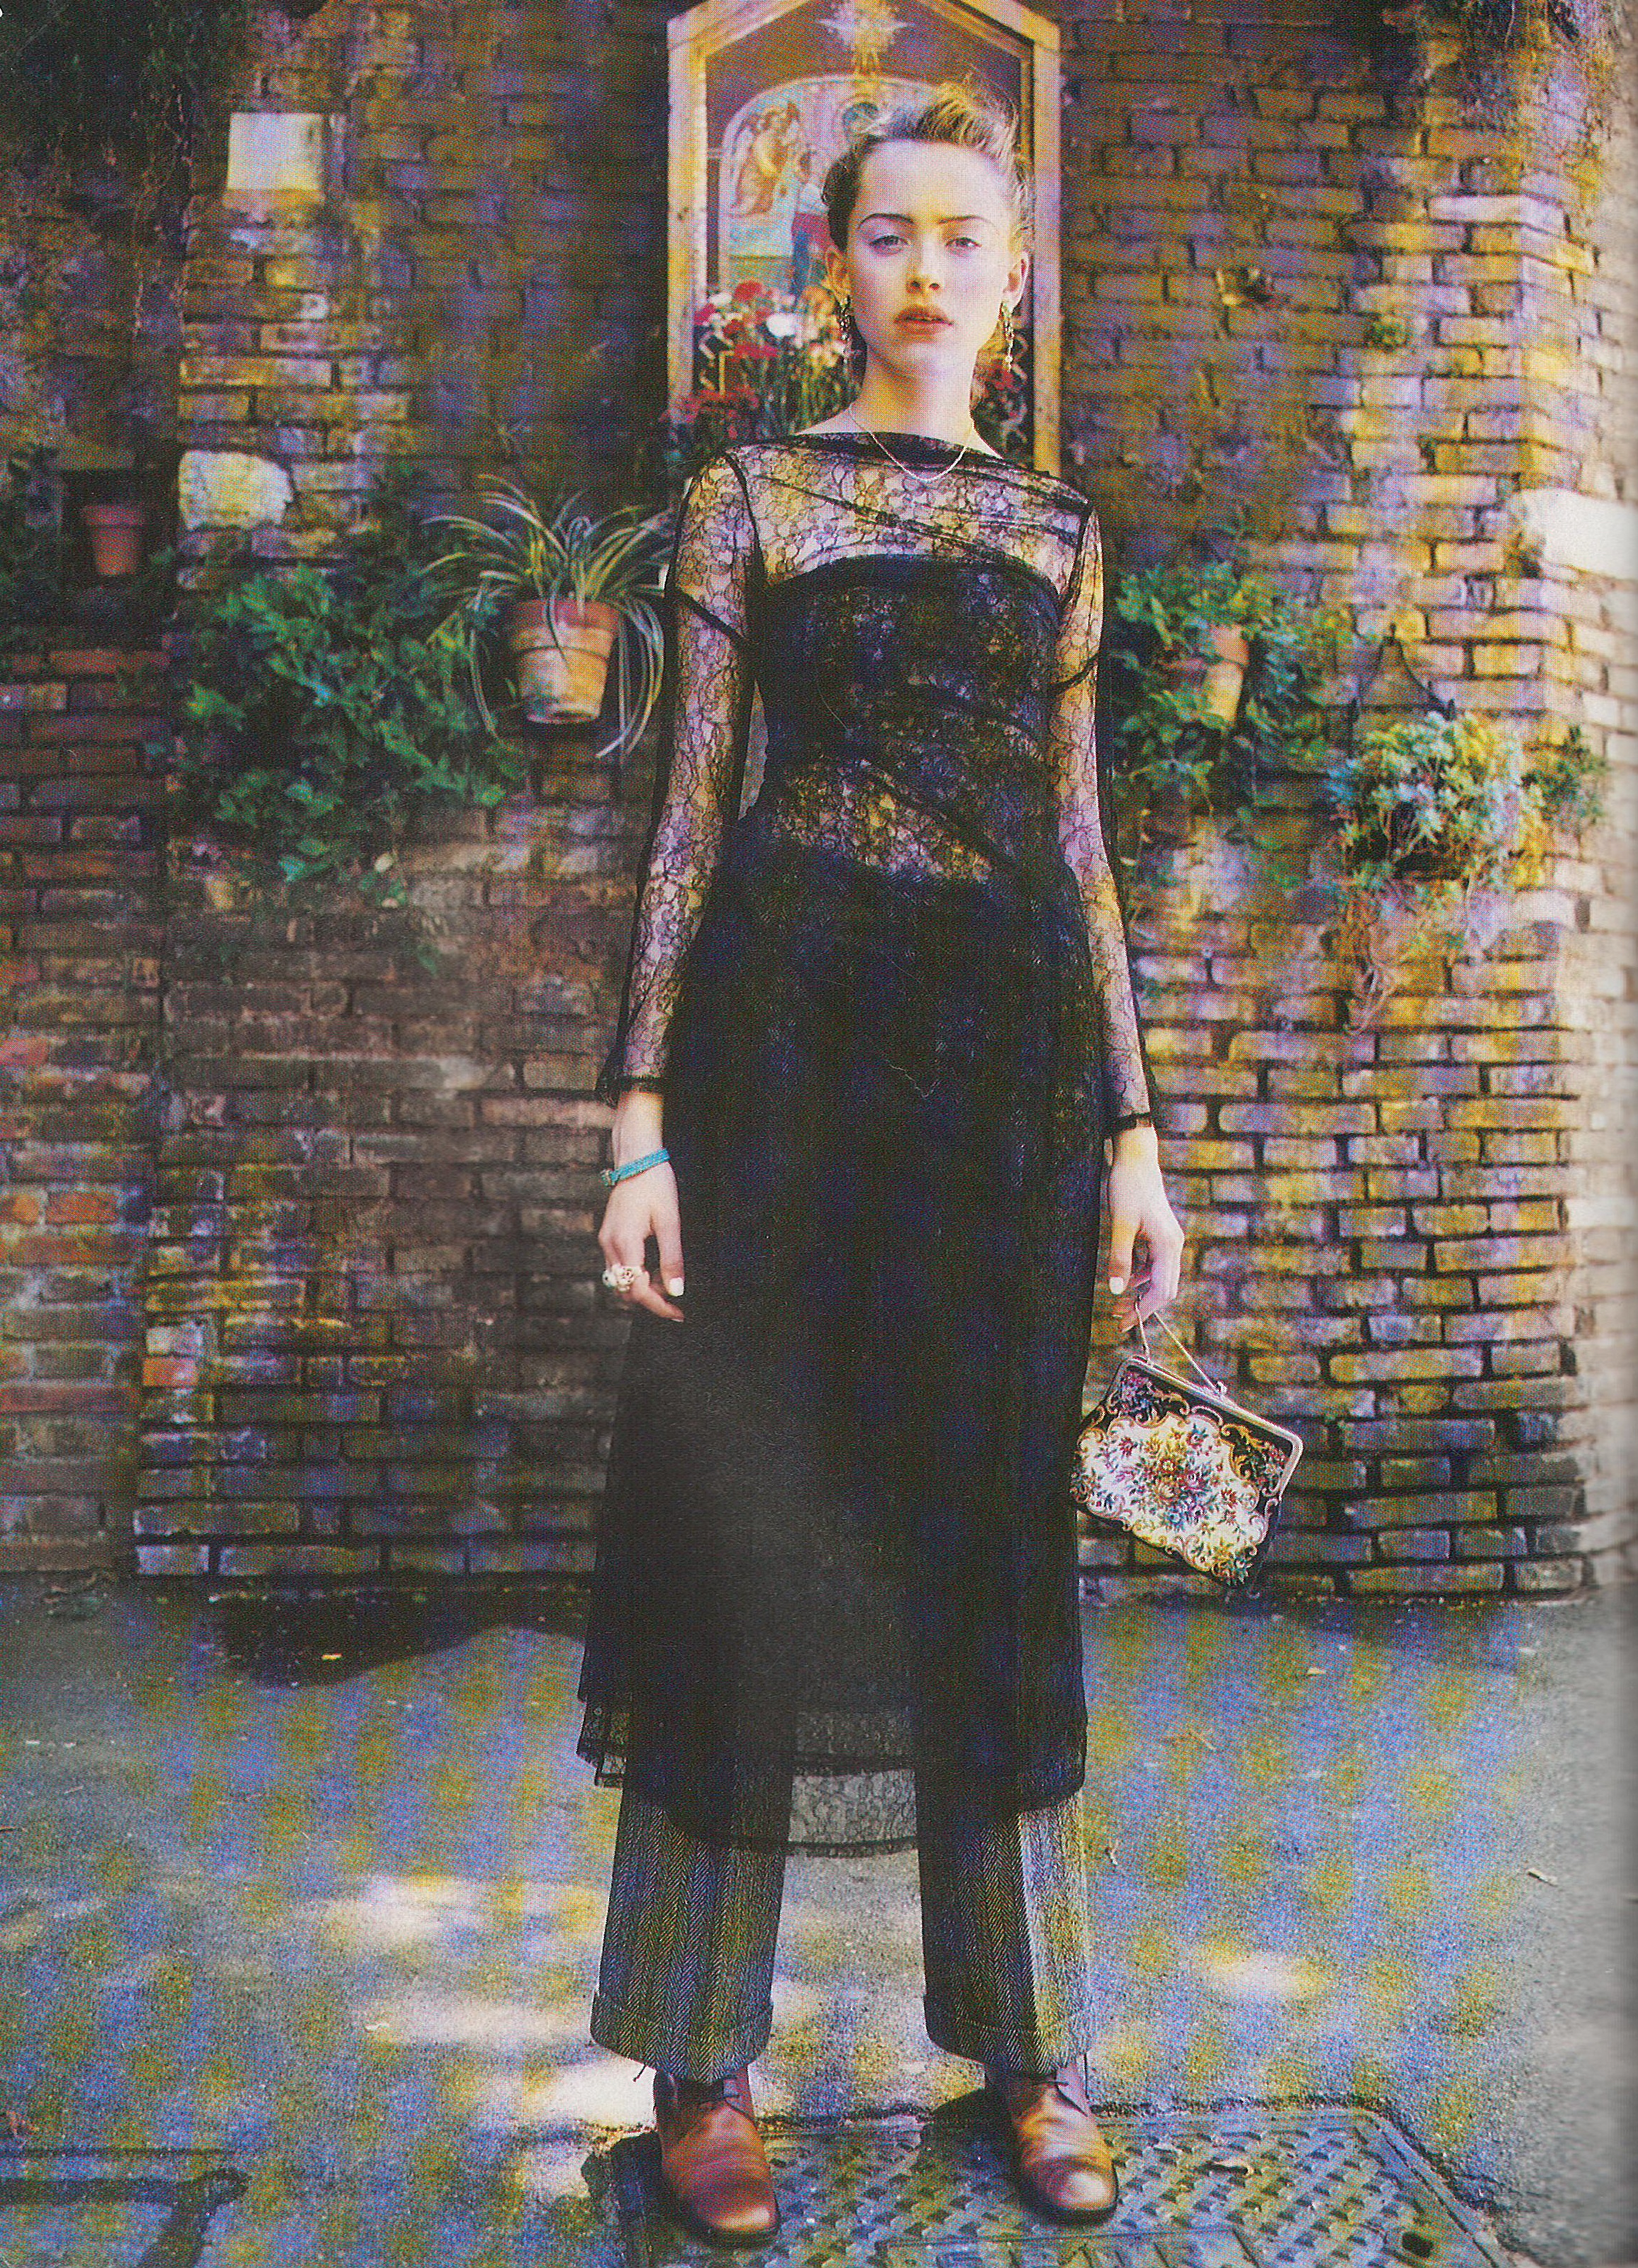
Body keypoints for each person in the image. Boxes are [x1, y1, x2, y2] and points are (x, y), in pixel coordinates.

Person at [579, 78, 1186, 2247]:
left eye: (966, 235)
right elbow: (687, 821)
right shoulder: (748, 500)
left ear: (1013, 278)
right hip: (786, 1066)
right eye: (891, 231)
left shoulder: (1064, 534)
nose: (930, 267)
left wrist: (1135, 1133)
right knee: (733, 1528)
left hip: (1004, 1084)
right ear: (831, 264)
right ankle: (699, 2068)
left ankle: (1033, 2051)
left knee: (989, 1547)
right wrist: (640, 1122)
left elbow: (1082, 849)